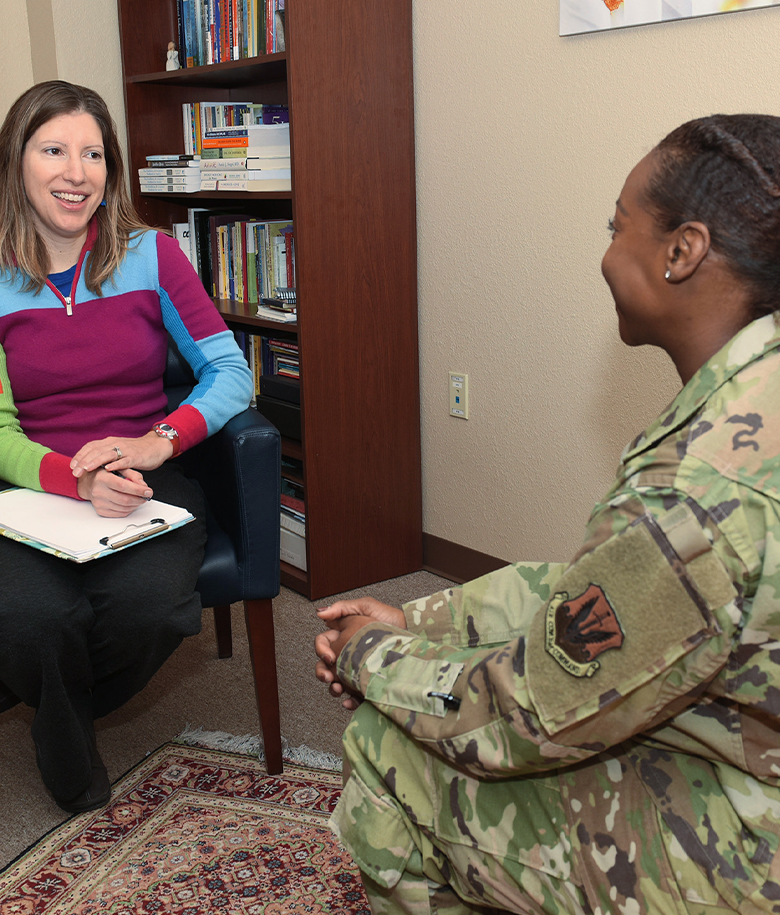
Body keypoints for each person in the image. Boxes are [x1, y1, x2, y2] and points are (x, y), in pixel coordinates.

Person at [315, 114, 780, 914]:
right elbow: (585, 595)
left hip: (752, 857)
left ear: (682, 250)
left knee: (390, 746)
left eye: (617, 226)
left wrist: (371, 657)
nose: (605, 251)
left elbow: (518, 717)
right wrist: (419, 616)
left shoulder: (701, 487)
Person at [0, 80, 253, 813]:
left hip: (146, 478)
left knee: (152, 608)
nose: (76, 172)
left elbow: (230, 372)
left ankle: (51, 702)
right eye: (54, 150)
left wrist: (156, 441)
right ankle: (69, 752)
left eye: (93, 153)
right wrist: (70, 479)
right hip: (33, 486)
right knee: (35, 617)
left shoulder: (152, 255)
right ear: (18, 162)